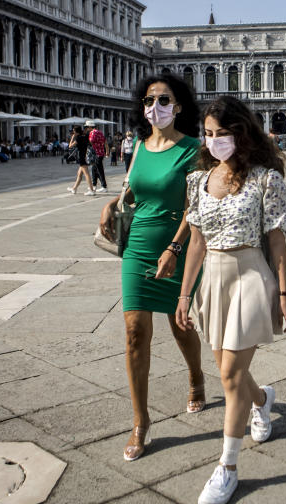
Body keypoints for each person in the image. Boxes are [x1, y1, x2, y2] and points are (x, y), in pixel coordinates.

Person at [176, 95, 286, 504]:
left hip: (249, 275)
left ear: (241, 133)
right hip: (213, 279)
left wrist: (285, 293)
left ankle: (226, 467)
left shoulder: (265, 178)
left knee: (228, 376)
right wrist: (183, 293)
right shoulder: (197, 180)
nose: (213, 142)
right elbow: (195, 242)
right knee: (234, 374)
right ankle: (263, 401)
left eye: (222, 134)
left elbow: (277, 241)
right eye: (208, 134)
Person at [99, 73, 207, 462]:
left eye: (164, 100)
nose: (155, 107)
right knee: (134, 331)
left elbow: (196, 206)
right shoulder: (141, 146)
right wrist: (112, 202)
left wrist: (176, 249)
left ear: (179, 106)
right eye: (149, 100)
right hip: (139, 244)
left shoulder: (194, 148)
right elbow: (133, 186)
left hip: (178, 243)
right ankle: (140, 420)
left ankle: (196, 376)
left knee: (179, 325)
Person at [68, 126, 96, 195]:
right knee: (79, 174)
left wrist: (72, 137)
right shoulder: (85, 136)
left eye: (74, 131)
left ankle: (91, 190)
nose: (73, 132)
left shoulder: (78, 138)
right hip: (86, 156)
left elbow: (70, 146)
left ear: (76, 132)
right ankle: (74, 188)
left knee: (86, 174)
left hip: (82, 157)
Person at [86, 120, 108, 192]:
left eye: (87, 127)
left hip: (96, 153)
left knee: (99, 170)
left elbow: (91, 141)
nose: (87, 129)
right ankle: (94, 185)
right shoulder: (100, 132)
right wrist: (107, 151)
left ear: (90, 127)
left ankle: (104, 186)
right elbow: (105, 142)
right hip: (101, 153)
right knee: (94, 169)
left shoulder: (92, 133)